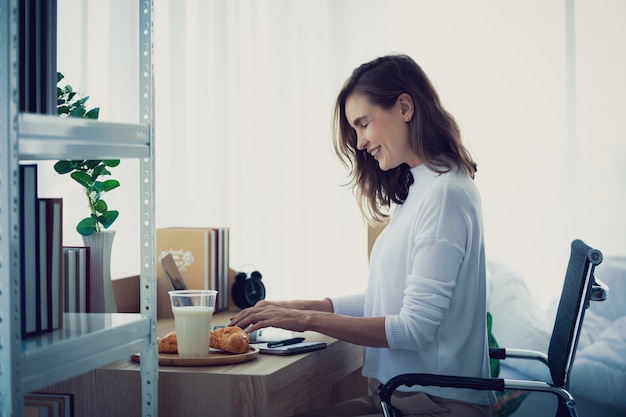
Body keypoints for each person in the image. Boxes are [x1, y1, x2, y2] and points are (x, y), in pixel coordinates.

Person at [229, 54, 496, 417]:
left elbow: (412, 329)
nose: (359, 143)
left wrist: (302, 321)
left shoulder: (445, 194)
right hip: (403, 398)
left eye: (363, 123)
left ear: (405, 107)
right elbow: (387, 299)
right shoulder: (421, 185)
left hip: (434, 406)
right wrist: (293, 307)